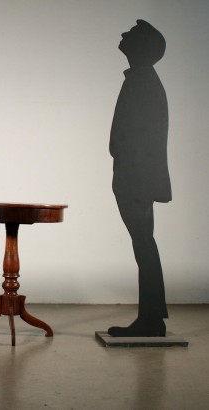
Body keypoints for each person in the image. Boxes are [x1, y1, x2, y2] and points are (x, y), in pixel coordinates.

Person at [108, 20, 171, 337]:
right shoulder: (142, 80)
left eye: (130, 35)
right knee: (144, 244)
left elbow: (147, 140)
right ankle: (152, 317)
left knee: (144, 244)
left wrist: (137, 181)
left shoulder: (143, 81)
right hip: (134, 178)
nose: (123, 36)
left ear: (142, 46)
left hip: (137, 180)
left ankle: (151, 319)